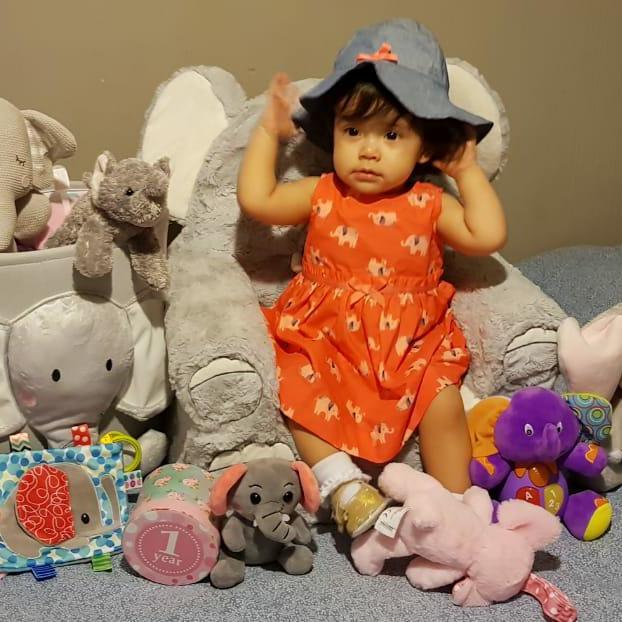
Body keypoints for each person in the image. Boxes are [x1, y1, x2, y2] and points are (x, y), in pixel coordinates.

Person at [237, 19, 507, 538]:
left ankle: (455, 509)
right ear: (333, 132)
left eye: (391, 135)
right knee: (296, 388)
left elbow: (487, 235)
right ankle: (343, 486)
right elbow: (259, 200)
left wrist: (467, 172)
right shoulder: (321, 192)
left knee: (442, 401)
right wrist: (268, 134)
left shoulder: (430, 202)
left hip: (411, 344)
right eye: (353, 131)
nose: (368, 149)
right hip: (326, 335)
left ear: (424, 146)